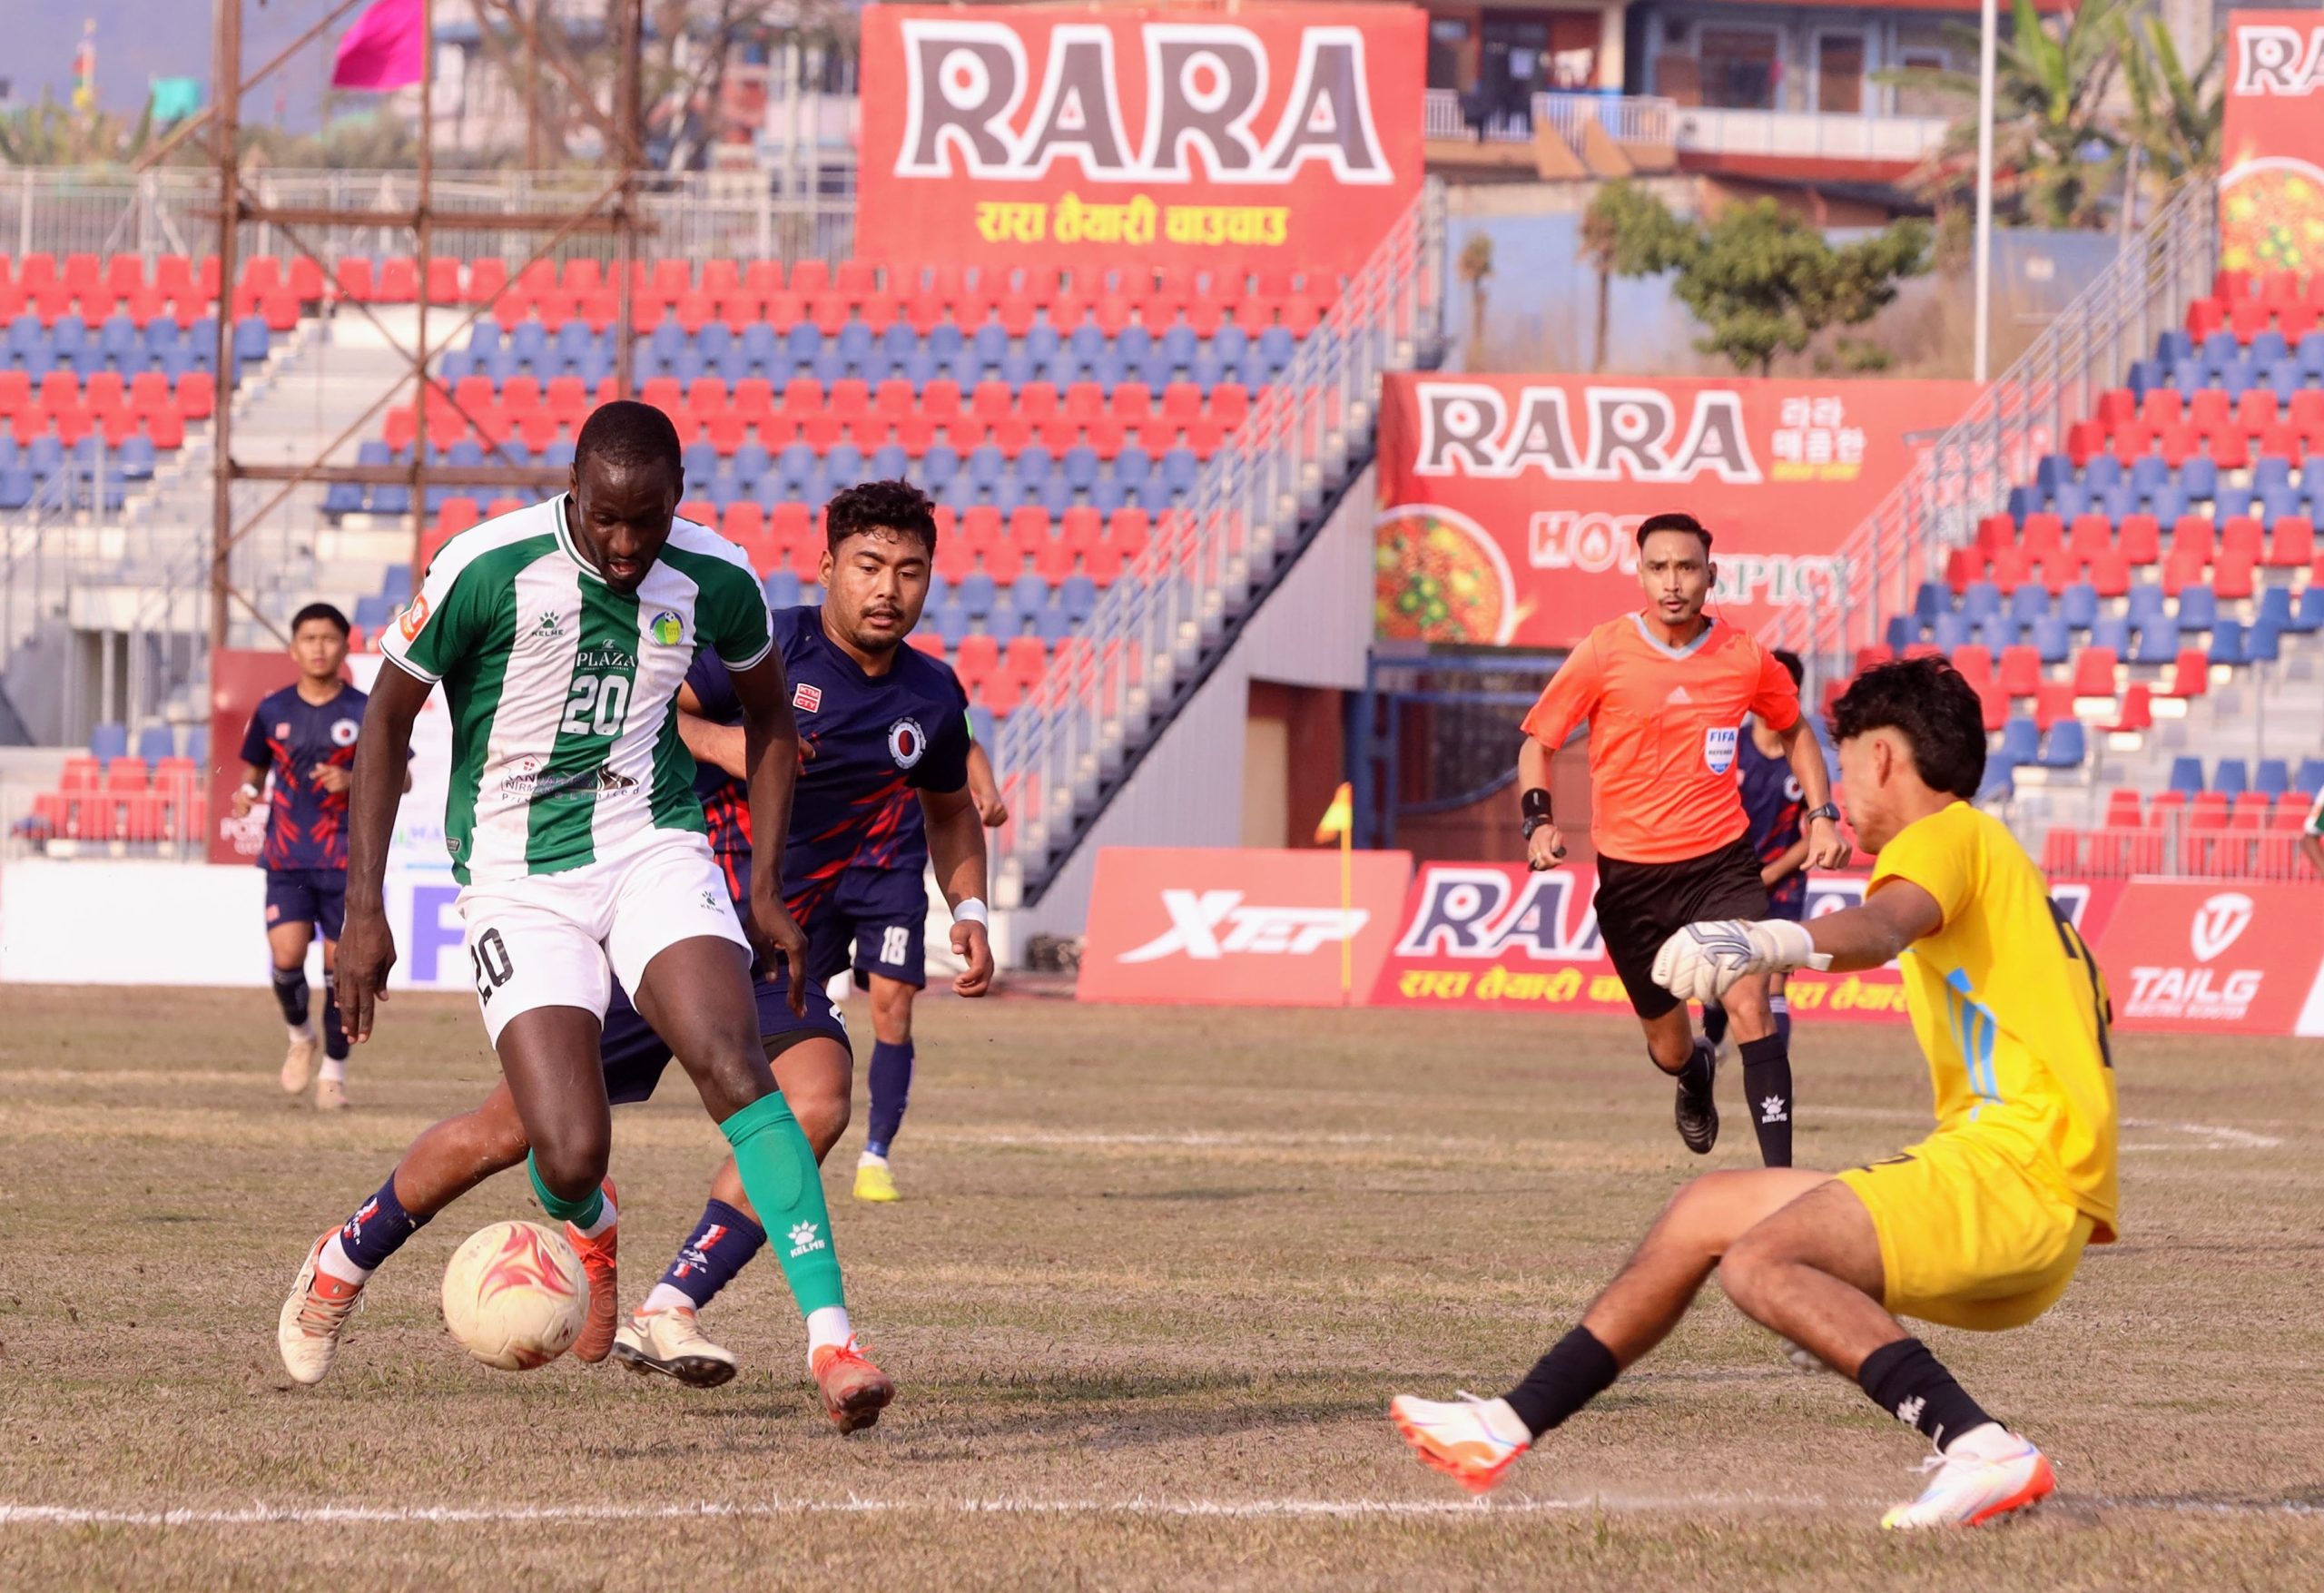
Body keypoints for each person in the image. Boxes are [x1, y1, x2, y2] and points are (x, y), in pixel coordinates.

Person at [275, 401, 894, 1434]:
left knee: (738, 1067)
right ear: (572, 486)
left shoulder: (716, 577)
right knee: (563, 1152)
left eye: (646, 521)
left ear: (678, 497)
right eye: (605, 517)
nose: (624, 543)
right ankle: (578, 1228)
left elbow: (771, 723)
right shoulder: (485, 566)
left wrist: (764, 890)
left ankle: (834, 1343)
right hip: (516, 877)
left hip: (652, 846)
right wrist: (363, 907)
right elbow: (385, 720)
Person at [1393, 656, 2118, 1530]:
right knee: (1708, 1209)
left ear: (1884, 757)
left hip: (2013, 1180)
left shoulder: (1943, 834)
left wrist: (1769, 940)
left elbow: (1884, 927)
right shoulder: (1999, 861)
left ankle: (1978, 1443)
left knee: (1761, 1261)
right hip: (2024, 1188)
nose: (1837, 787)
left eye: (1844, 763)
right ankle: (1503, 1425)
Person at [626, 478, 995, 1372]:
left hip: (774, 953)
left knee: (820, 1101)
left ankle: (671, 1304)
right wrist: (735, 745)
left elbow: (950, 808)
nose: (888, 589)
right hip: (660, 922)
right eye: (868, 566)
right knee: (531, 1133)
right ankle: (348, 1257)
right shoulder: (766, 645)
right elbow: (654, 710)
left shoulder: (929, 695)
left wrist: (970, 908)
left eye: (909, 571)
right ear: (827, 565)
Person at [1516, 513, 1845, 1165]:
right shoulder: (1605, 651)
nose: (1673, 581)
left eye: (1687, 567)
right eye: (1659, 567)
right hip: (1632, 879)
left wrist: (1823, 813)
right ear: (1640, 575)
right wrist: (1539, 820)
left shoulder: (1743, 655)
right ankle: (1695, 1070)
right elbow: (1538, 743)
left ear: (1710, 575)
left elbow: (1796, 730)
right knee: (1668, 1049)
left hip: (1720, 866)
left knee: (1751, 1003)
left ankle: (1780, 1181)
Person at [231, 602, 409, 1111]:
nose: (318, 647)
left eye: (328, 638)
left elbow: (402, 777)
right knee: (286, 957)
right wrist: (247, 792)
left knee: (340, 972)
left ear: (344, 647)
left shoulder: (366, 708)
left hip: (347, 862)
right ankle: (300, 1036)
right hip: (287, 857)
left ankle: (334, 1073)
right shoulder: (273, 710)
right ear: (293, 648)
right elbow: (254, 770)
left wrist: (353, 780)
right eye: (309, 638)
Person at [850, 726, 1008, 1205]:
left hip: (892, 869)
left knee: (892, 1006)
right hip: (812, 863)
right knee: (791, 1001)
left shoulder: (925, 693)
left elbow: (963, 739)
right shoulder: (804, 683)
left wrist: (987, 791)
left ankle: (875, 1157)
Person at [1701, 647, 1813, 1068]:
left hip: (1782, 883)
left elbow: (1815, 832)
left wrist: (1772, 873)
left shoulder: (1802, 753)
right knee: (1719, 979)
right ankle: (1709, 1052)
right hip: (1728, 880)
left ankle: (1773, 1083)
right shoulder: (1729, 747)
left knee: (1774, 983)